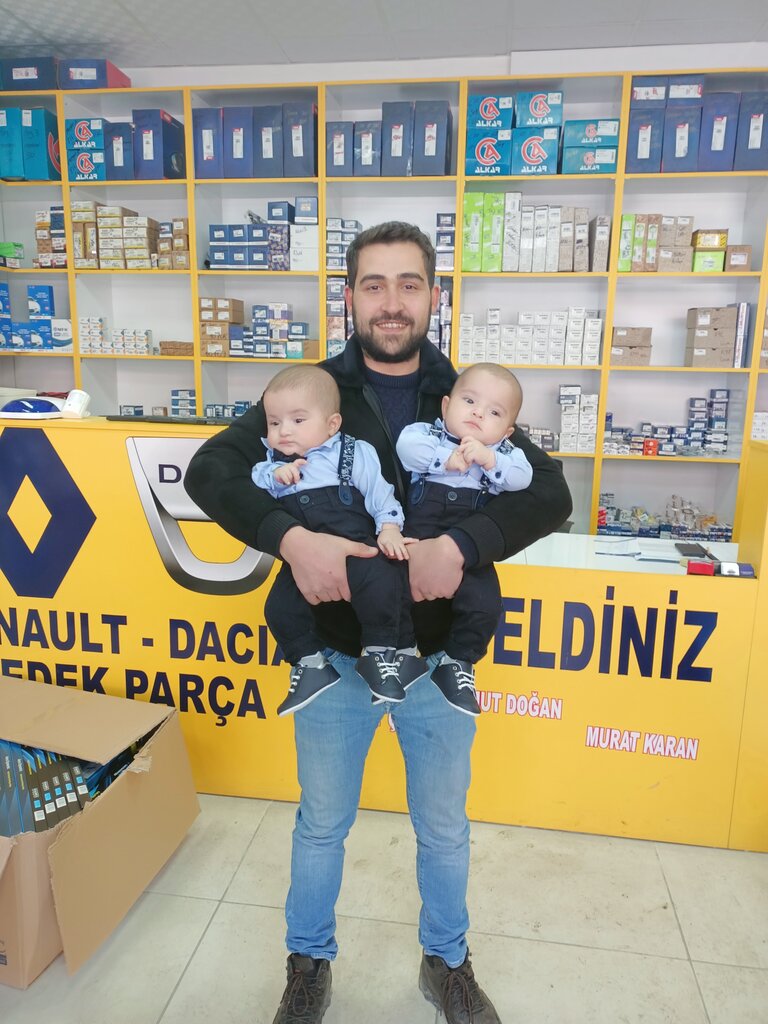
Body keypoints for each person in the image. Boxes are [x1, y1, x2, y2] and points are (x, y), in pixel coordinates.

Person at [184, 221, 572, 1024]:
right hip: (334, 655)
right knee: (322, 825)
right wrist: (291, 539)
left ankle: (447, 963)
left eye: (408, 284)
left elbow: (549, 491)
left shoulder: (466, 393)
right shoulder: (311, 392)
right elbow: (211, 469)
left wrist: (463, 546)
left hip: (438, 661)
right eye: (373, 284)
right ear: (349, 296)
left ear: (433, 296)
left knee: (444, 828)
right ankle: (308, 965)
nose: (391, 302)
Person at [252, 363, 425, 714]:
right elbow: (255, 482)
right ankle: (309, 664)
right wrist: (276, 474)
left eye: (298, 420)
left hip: (358, 547)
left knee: (385, 586)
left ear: (332, 424)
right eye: (274, 422)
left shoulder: (353, 452)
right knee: (278, 608)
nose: (284, 431)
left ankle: (380, 655)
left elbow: (379, 493)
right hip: (305, 563)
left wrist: (390, 528)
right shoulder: (273, 464)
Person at [397, 363, 533, 717]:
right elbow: (406, 448)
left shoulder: (504, 454)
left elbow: (523, 477)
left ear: (507, 431)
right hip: (416, 537)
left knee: (485, 603)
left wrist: (489, 460)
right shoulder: (427, 434)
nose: (478, 413)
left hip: (468, 549)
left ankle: (457, 663)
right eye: (469, 401)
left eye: (494, 412)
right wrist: (447, 461)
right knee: (390, 591)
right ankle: (400, 655)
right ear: (446, 406)